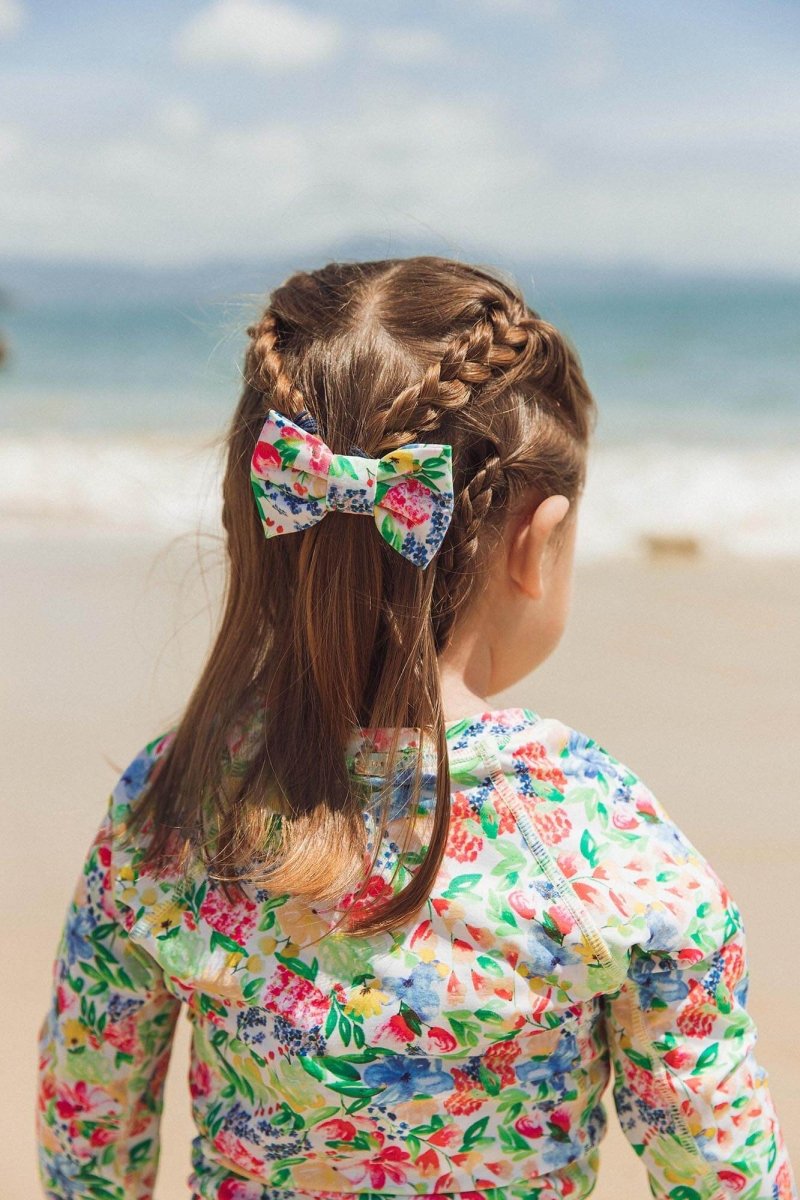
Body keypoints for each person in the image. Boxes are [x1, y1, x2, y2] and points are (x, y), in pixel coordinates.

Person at [36, 257, 796, 1200]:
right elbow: (720, 1169)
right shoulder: (603, 838)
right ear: (537, 541)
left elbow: (88, 1132)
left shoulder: (176, 802)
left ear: (256, 517)